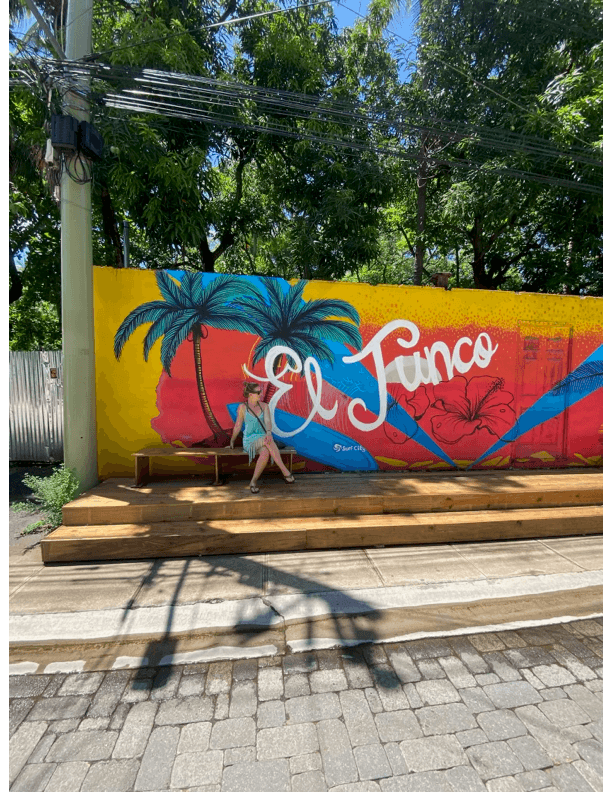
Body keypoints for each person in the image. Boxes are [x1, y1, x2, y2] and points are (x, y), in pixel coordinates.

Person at [228, 382, 295, 494]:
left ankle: (253, 482)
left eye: (260, 392)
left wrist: (269, 432)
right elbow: (238, 425)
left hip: (264, 438)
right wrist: (232, 440)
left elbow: (268, 421)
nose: (260, 394)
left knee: (265, 452)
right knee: (267, 441)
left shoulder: (264, 406)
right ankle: (285, 471)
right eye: (258, 392)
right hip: (250, 440)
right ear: (250, 394)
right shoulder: (243, 407)